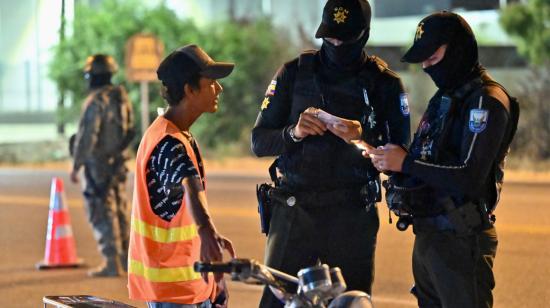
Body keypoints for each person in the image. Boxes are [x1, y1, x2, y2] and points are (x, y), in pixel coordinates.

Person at [251, 0, 410, 306]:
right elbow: (258, 142)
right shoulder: (293, 74)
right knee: (276, 301)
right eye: (330, 37)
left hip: (351, 214)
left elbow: (401, 157)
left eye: (345, 39)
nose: (336, 45)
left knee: (351, 302)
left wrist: (363, 134)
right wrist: (293, 133)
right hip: (295, 210)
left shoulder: (384, 84)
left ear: (363, 35)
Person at [364, 11, 519, 308]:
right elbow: (430, 159)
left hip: (461, 239)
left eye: (432, 57)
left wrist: (406, 164)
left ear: (457, 49)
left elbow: (469, 177)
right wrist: (389, 161)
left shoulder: (486, 101)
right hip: (430, 237)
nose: (426, 66)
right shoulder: (447, 97)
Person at [127, 44, 236, 308]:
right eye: (211, 83)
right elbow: (189, 183)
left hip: (190, 285)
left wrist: (213, 282)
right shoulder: (167, 142)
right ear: (190, 90)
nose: (218, 89)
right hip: (174, 294)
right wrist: (207, 231)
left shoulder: (178, 134)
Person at [70, 54, 135, 277]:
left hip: (98, 164)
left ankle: (111, 262)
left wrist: (76, 164)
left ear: (93, 76)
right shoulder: (121, 97)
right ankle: (127, 261)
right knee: (119, 209)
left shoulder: (96, 101)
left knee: (100, 210)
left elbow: (88, 136)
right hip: (118, 162)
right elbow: (130, 130)